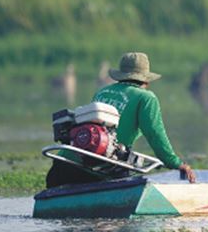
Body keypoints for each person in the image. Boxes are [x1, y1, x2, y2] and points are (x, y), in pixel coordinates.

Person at [46, 52, 195, 187]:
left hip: (61, 166)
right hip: (96, 172)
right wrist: (176, 163)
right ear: (146, 81)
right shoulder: (146, 98)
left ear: (120, 75)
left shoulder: (102, 91)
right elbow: (155, 134)